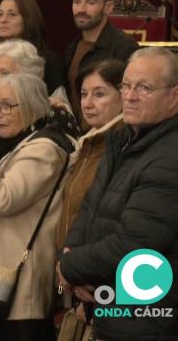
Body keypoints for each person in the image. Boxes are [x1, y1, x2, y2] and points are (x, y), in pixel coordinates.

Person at [58, 47, 178, 341]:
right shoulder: (123, 140)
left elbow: (133, 247)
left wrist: (69, 266)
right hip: (110, 306)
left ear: (175, 95)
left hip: (146, 319)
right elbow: (89, 208)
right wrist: (71, 252)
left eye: (144, 88)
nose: (129, 96)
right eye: (126, 86)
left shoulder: (177, 160)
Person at [0, 73, 74, 341]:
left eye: (8, 105)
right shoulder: (12, 144)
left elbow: (2, 199)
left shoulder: (44, 149)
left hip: (20, 281)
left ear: (33, 105)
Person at [56, 59, 125, 250]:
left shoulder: (122, 145)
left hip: (92, 260)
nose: (87, 104)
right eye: (83, 94)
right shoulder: (88, 143)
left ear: (124, 97)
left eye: (99, 94)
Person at [64, 0, 138, 115]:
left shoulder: (124, 47)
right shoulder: (73, 47)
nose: (81, 9)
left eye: (90, 2)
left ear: (108, 7)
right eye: (77, 1)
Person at [0, 0, 67, 98]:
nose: (3, 20)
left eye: (12, 14)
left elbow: (60, 101)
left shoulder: (47, 60)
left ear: (27, 18)